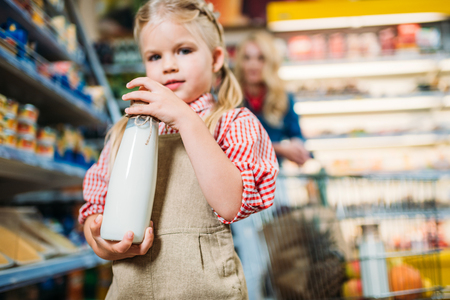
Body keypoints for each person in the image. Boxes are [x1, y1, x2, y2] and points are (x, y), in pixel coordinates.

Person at [78, 1, 278, 299]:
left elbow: (231, 204)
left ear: (216, 58)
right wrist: (99, 239)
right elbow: (95, 210)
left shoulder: (231, 124)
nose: (169, 65)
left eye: (184, 50)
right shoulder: (124, 133)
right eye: (155, 56)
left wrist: (186, 118)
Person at [231, 31, 310, 300]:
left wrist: (299, 147)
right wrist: (279, 147)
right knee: (254, 258)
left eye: (260, 58)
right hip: (241, 188)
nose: (253, 64)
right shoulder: (230, 97)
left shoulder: (282, 97)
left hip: (276, 189)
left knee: (279, 254)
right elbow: (232, 146)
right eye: (248, 58)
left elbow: (298, 135)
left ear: (270, 62)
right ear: (240, 62)